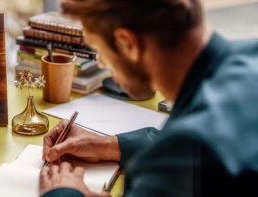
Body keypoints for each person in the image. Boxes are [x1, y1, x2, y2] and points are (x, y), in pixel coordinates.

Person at [39, 0, 258, 196]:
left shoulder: (178, 155)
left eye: (98, 49)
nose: (102, 64)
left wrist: (63, 193)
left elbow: (186, 152)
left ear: (128, 43)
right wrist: (111, 145)